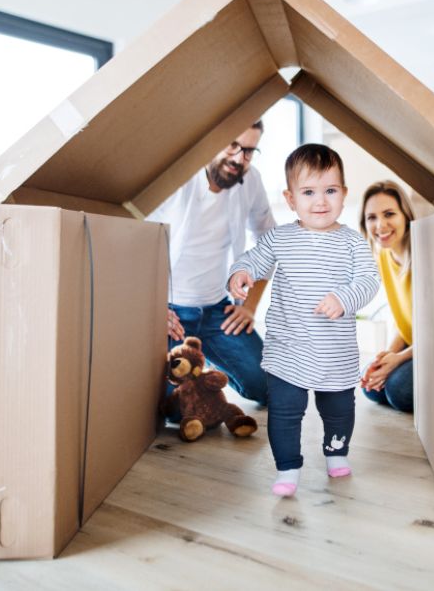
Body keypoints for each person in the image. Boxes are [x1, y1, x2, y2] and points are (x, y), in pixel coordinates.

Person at [228, 144, 379, 497]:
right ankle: (288, 467)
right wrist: (241, 273)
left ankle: (336, 450)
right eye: (309, 192)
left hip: (335, 351)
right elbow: (253, 259)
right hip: (288, 349)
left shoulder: (352, 243)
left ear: (343, 195)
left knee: (339, 409)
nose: (320, 201)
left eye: (330, 190)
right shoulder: (281, 238)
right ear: (291, 198)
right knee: (285, 411)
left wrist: (344, 298)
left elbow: (368, 281)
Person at [148, 120, 275, 412]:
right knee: (165, 405)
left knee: (267, 386)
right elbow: (132, 244)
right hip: (171, 314)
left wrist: (249, 306)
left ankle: (206, 363)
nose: (239, 159)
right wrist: (152, 309)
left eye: (250, 151)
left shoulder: (251, 180)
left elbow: (269, 241)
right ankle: (195, 369)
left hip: (219, 310)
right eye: (233, 145)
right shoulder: (176, 179)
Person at [358, 180, 416, 413]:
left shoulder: (425, 253)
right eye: (371, 217)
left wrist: (399, 359)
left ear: (405, 216)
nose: (380, 225)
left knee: (398, 390)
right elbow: (403, 322)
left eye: (389, 214)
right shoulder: (383, 256)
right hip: (413, 345)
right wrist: (387, 356)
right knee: (370, 385)